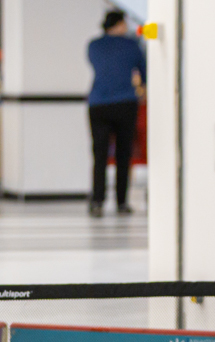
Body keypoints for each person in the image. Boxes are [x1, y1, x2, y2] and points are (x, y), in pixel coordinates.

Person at [86, 9, 144, 217]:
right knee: (123, 154)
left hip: (98, 104)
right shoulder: (131, 45)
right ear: (119, 24)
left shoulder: (94, 46)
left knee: (100, 155)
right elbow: (143, 71)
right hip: (125, 103)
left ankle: (97, 201)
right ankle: (122, 202)